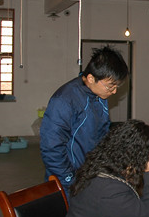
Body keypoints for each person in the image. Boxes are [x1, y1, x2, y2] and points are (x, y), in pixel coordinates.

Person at [40, 45, 128, 197]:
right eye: (110, 86)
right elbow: (51, 147)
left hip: (89, 176)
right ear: (91, 78)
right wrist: (69, 179)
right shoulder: (64, 100)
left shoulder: (99, 96)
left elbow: (102, 135)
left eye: (117, 86)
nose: (114, 91)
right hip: (68, 181)